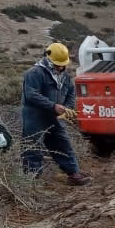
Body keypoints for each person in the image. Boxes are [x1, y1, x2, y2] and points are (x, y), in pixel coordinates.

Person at [20, 43, 92, 185]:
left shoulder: (64, 76)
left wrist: (67, 109)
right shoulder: (35, 73)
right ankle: (31, 181)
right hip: (35, 116)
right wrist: (53, 106)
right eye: (57, 64)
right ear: (48, 58)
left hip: (54, 117)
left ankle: (73, 173)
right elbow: (31, 95)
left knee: (62, 144)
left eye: (62, 65)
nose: (60, 67)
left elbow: (70, 92)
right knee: (32, 147)